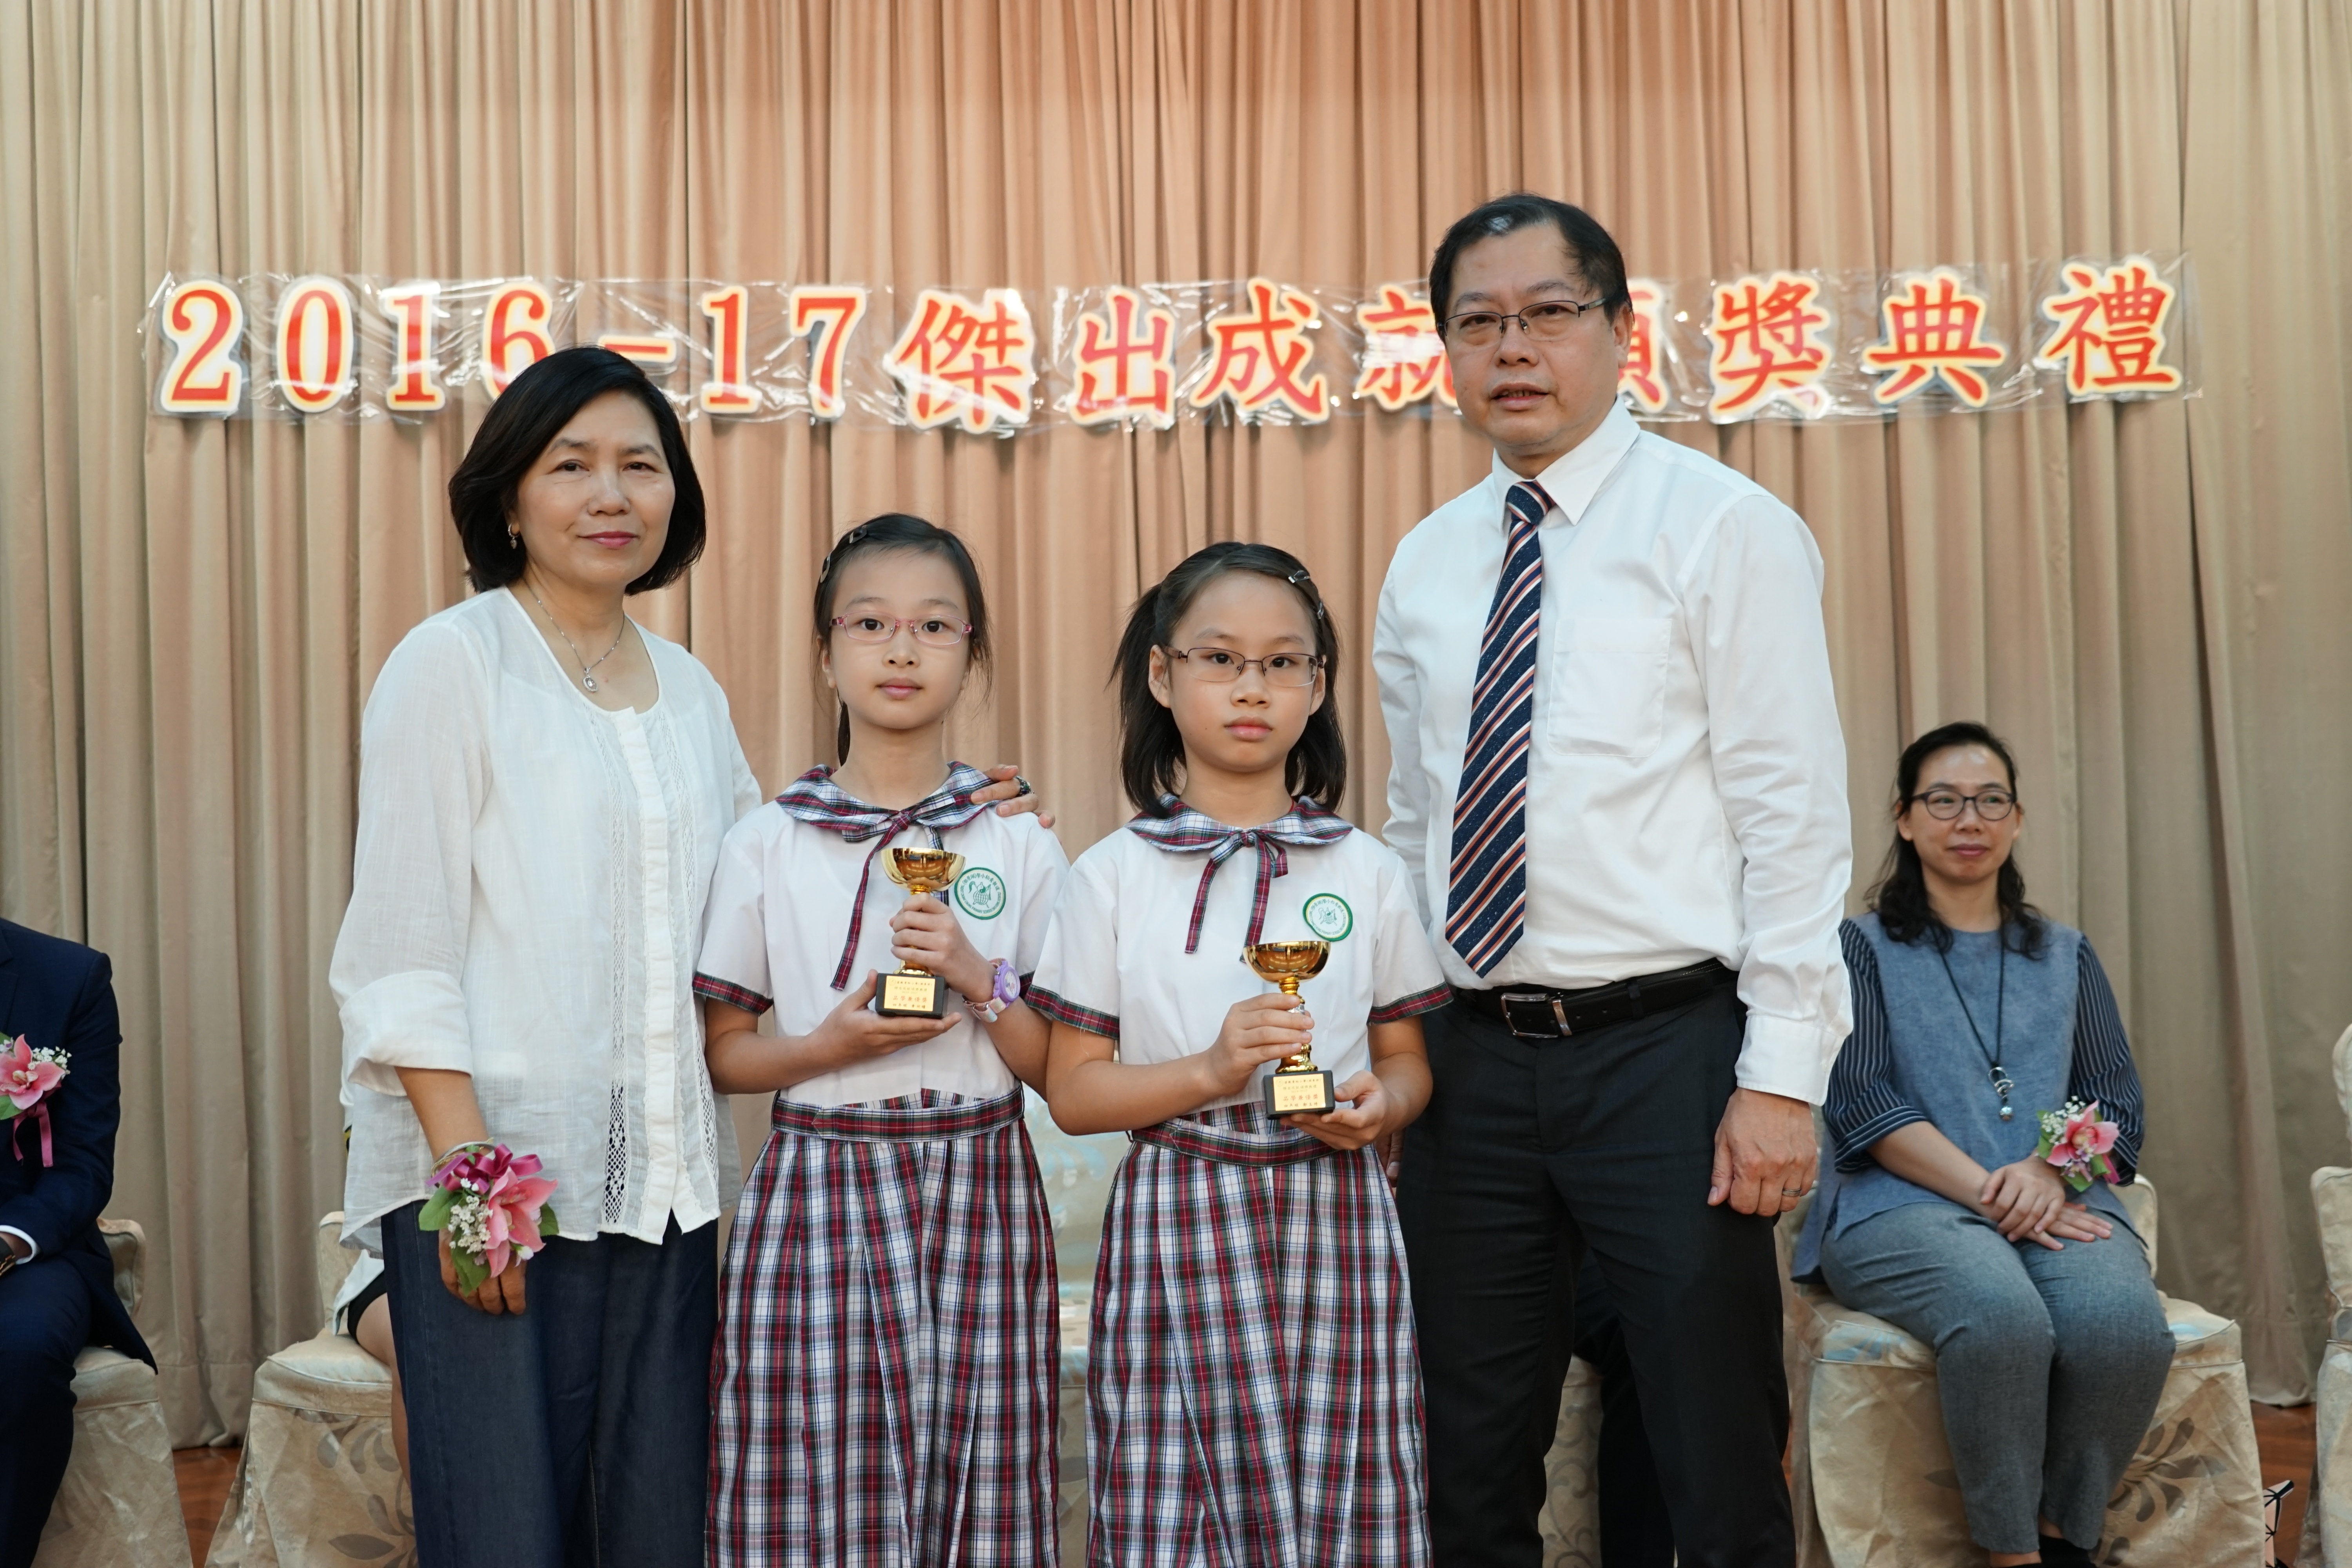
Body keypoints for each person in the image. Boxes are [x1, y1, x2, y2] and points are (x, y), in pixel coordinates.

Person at [330, 348, 1038, 1566]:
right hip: (504, 1182)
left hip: (668, 1198)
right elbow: (402, 949)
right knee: (503, 1532)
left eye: (641, 467)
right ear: (511, 499)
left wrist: (956, 821)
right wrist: (473, 1183)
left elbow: (781, 889)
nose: (612, 495)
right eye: (572, 466)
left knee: (657, 1531)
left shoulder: (691, 694)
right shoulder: (454, 662)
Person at [1376, 192, 1853, 1567]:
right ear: (1447, 351)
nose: (1513, 349)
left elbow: (1792, 821)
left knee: (1712, 1453)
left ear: (1621, 329)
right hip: (1471, 1062)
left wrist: (1781, 1080)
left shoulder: (1725, 527)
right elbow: (1414, 826)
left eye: (1548, 314)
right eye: (1479, 323)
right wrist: (1396, 1045)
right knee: (1466, 1459)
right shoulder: (1429, 561)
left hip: (1669, 1059)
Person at [1033, 541, 1448, 1568]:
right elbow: (1074, 1092)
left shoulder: (1367, 869)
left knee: (1344, 1495)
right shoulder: (1111, 875)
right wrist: (1212, 1073)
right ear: (1163, 675)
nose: (1251, 687)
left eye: (1282, 662)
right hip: (1179, 1209)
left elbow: (1409, 1062)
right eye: (1220, 659)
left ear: (1319, 684)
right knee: (1176, 1507)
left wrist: (1381, 1108)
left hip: (1337, 1215)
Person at [695, 514, 1067, 1566]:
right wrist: (828, 1048)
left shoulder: (1019, 843)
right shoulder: (766, 842)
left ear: (972, 655)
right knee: (815, 1491)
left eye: (935, 626)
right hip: (818, 1187)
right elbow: (726, 1054)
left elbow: (1055, 1066)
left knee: (982, 1484)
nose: (902, 650)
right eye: (870, 624)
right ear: (826, 653)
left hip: (983, 1186)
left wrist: (980, 976)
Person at [1791, 723, 2171, 1568]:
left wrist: (2047, 1171)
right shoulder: (1858, 947)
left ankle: (2060, 1538)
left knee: (2123, 1329)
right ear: (1904, 818)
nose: (1970, 819)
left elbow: (2117, 1104)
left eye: (1991, 800)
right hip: (1900, 1206)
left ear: (2018, 818)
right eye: (1944, 800)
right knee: (2002, 1317)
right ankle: (2009, 1554)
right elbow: (1864, 1104)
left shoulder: (2067, 954)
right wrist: (1998, 1193)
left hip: (2055, 1194)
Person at [0, 920, 152, 1568]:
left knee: (21, 1351)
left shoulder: (68, 978)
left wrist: (8, 1241)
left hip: (26, 1247)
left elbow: (84, 1164)